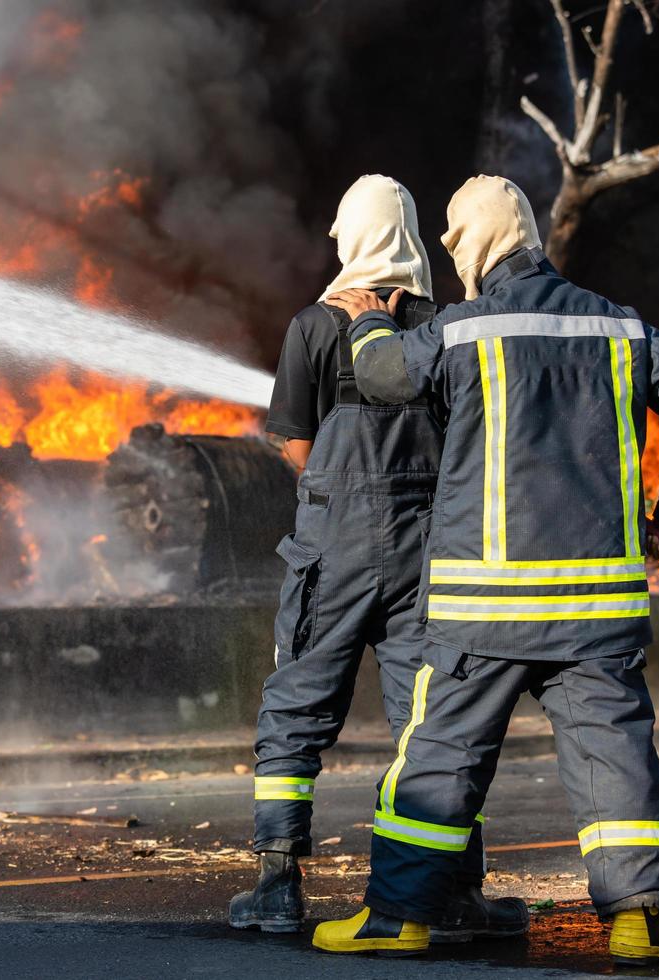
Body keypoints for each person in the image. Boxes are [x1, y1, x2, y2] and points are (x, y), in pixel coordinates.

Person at [311, 174, 659, 963]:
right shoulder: (621, 328)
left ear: (467, 246)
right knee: (615, 756)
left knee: (438, 757)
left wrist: (369, 321)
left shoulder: (465, 331)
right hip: (596, 612)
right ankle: (640, 920)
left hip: (484, 610)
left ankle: (398, 918)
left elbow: (382, 378)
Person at [229, 174, 527, 943]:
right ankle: (455, 893)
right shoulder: (449, 325)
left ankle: (277, 886)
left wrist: (337, 493)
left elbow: (296, 440)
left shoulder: (313, 326)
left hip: (333, 551)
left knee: (298, 703)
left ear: (349, 236)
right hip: (428, 548)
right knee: (434, 722)